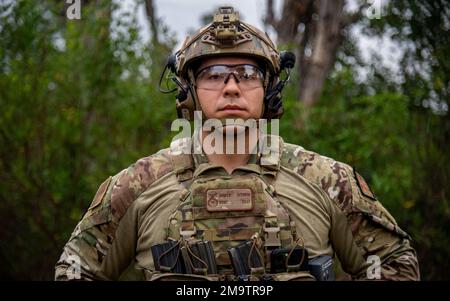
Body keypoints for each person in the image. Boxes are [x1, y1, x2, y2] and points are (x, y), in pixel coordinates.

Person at [55, 6, 419, 281]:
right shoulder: (137, 186)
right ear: (189, 92)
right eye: (213, 74)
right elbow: (75, 269)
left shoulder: (329, 182)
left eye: (247, 74)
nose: (231, 87)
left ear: (269, 89)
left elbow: (395, 263)